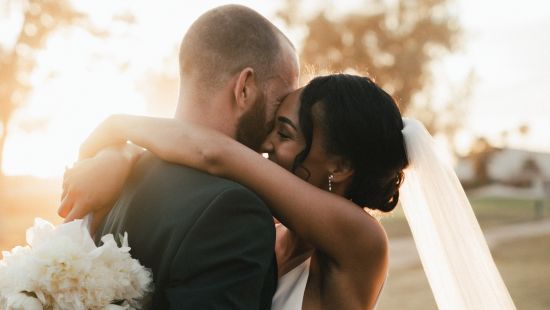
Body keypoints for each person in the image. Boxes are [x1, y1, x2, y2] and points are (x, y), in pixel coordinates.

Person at [62, 74, 516, 309]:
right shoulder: (281, 232)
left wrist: (117, 128)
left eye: (283, 133)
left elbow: (216, 155)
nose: (265, 145)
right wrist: (120, 160)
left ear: (339, 165)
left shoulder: (361, 240)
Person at [58, 5, 299, 309]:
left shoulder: (122, 176)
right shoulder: (234, 211)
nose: (279, 122)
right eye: (279, 100)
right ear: (245, 88)